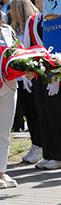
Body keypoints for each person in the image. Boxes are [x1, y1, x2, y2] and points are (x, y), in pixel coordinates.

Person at [25, 0, 61, 171]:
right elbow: (27, 47)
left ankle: (58, 156)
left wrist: (58, 75)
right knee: (42, 113)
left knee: (54, 114)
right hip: (37, 73)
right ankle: (48, 153)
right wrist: (26, 72)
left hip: (53, 74)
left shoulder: (57, 19)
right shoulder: (33, 20)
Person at [6, 0, 41, 164]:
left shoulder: (32, 26)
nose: (9, 12)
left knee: (35, 112)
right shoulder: (12, 29)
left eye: (12, 9)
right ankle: (35, 145)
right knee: (28, 113)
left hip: (31, 76)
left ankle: (40, 146)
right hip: (18, 79)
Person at [0, 20, 23, 187]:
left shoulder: (7, 30)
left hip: (9, 84)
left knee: (4, 130)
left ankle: (2, 171)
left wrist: (27, 68)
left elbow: (18, 53)